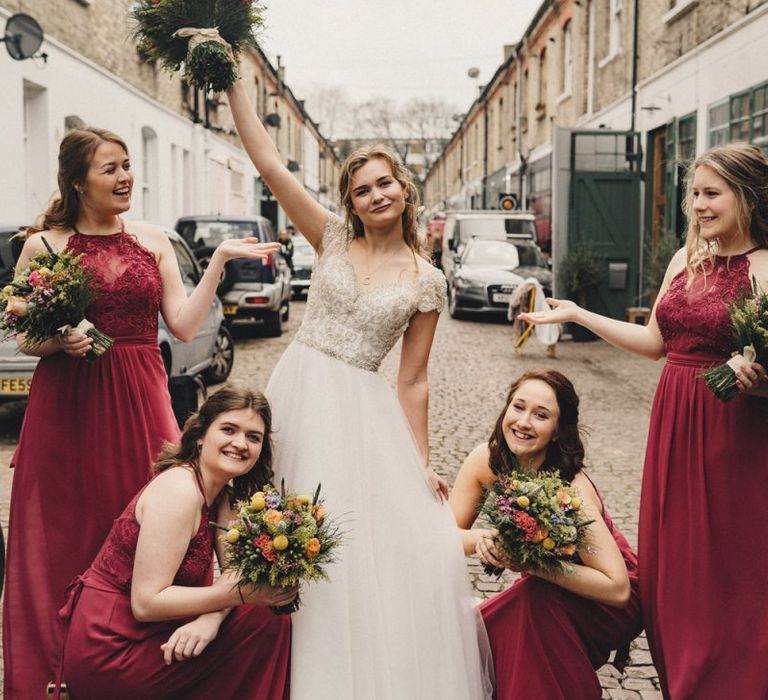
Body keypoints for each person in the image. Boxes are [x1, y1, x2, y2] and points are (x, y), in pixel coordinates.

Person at [226, 78, 493, 699]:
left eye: (384, 183)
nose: (375, 195)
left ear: (405, 188)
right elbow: (267, 160)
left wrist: (418, 460)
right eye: (361, 188)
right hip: (299, 392)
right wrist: (231, 74)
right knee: (278, 522)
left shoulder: (426, 281)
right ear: (349, 200)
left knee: (355, 543)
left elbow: (414, 377)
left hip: (363, 415)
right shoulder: (330, 238)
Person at [2, 126, 280, 698]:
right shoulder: (44, 245)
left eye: (127, 165)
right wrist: (59, 342)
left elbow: (179, 323)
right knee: (64, 530)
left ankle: (155, 661)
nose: (125, 176)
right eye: (111, 168)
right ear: (79, 181)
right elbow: (25, 336)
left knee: (165, 513)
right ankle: (61, 669)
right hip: (68, 406)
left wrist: (220, 261)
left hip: (140, 390)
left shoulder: (152, 239)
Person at [519, 143, 768, 698]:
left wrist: (761, 382)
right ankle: (683, 680)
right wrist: (579, 314)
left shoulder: (766, 268)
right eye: (694, 196)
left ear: (746, 196)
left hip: (737, 432)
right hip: (675, 424)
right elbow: (656, 342)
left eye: (711, 194)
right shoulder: (687, 260)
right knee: (673, 569)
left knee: (732, 568)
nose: (698, 207)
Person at [57, 385, 296, 700]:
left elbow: (237, 574)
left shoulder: (222, 496)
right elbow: (145, 603)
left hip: (159, 634)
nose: (240, 443)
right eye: (228, 430)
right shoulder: (180, 491)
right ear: (200, 435)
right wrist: (237, 597)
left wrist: (212, 618)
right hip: (113, 647)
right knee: (260, 616)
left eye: (253, 437)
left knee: (268, 617)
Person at [450, 369, 642, 700]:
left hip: (605, 598)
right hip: (545, 591)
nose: (524, 422)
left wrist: (531, 564)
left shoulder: (572, 490)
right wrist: (485, 538)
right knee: (472, 636)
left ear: (556, 431)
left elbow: (617, 588)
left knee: (529, 607)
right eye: (518, 407)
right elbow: (446, 536)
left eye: (541, 415)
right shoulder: (486, 460)